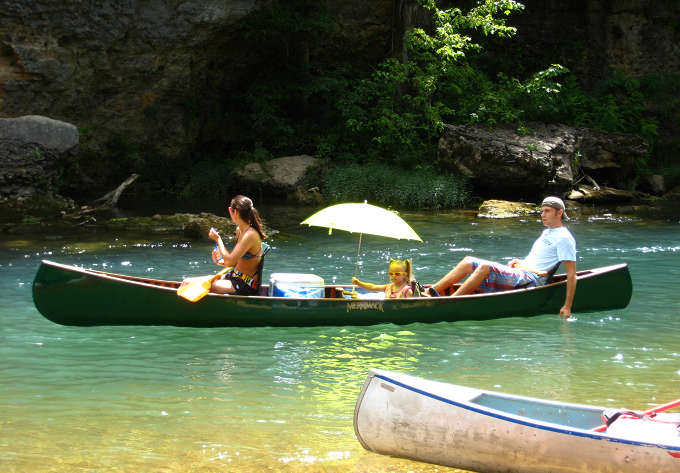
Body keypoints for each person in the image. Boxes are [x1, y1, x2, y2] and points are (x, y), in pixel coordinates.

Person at [424, 196, 577, 318]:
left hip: (532, 280)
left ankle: (449, 303)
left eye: (547, 211)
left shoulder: (564, 237)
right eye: (542, 211)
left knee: (485, 268)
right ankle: (431, 292)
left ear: (559, 213)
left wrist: (567, 306)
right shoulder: (548, 232)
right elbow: (539, 261)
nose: (543, 215)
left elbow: (572, 275)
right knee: (468, 261)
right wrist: (521, 262)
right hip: (523, 272)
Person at [209, 195, 268, 295]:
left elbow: (230, 263)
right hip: (236, 277)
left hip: (246, 284)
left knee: (209, 286)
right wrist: (221, 262)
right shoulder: (240, 230)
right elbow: (235, 262)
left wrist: (218, 239)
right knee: (206, 282)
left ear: (234, 212)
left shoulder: (250, 235)